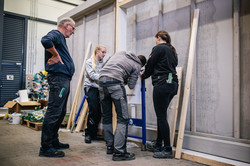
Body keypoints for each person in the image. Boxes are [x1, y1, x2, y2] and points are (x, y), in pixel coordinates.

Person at [99, 51, 146, 161]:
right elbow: (131, 85)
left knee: (106, 116)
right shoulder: (137, 65)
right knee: (123, 118)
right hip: (115, 83)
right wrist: (133, 75)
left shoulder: (120, 53)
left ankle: (110, 146)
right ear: (142, 64)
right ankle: (119, 152)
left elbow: (104, 65)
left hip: (101, 81)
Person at [39, 17, 76, 158]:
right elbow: (45, 40)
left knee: (60, 112)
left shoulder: (61, 39)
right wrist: (55, 54)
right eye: (73, 28)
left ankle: (54, 141)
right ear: (66, 26)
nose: (73, 32)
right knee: (54, 112)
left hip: (64, 79)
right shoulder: (56, 34)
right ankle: (46, 147)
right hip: (59, 80)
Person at [141, 30, 178, 159]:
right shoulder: (172, 50)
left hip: (162, 85)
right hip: (173, 84)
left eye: (155, 39)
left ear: (158, 38)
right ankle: (158, 144)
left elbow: (150, 66)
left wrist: (143, 75)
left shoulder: (158, 48)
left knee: (161, 117)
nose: (155, 41)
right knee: (161, 116)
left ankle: (167, 149)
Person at [84, 45, 107, 144]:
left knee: (98, 112)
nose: (104, 54)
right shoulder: (89, 62)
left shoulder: (103, 63)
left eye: (105, 52)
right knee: (93, 110)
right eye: (103, 52)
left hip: (99, 88)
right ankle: (88, 134)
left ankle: (94, 134)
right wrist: (104, 77)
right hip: (90, 88)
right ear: (97, 51)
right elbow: (92, 76)